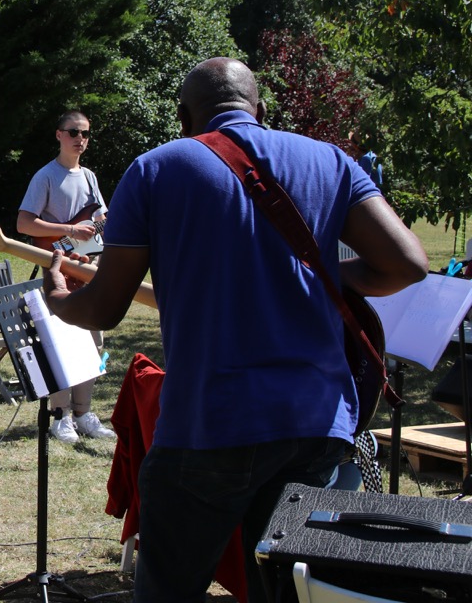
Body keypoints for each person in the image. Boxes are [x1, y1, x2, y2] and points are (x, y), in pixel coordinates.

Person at [42, 58, 428, 602]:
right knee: (284, 587)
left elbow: (105, 309)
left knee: (168, 591)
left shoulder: (155, 169)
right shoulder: (332, 161)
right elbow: (406, 265)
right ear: (261, 111)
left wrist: (58, 300)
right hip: (316, 422)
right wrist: (313, 271)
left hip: (210, 424)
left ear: (183, 118)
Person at [17, 109, 115, 443]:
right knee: (59, 344)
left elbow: (101, 220)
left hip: (87, 271)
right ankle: (59, 418)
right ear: (58, 134)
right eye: (73, 132)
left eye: (85, 133)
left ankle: (83, 413)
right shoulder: (45, 176)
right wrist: (70, 229)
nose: (80, 139)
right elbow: (24, 224)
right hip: (57, 271)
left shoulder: (89, 177)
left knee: (92, 343)